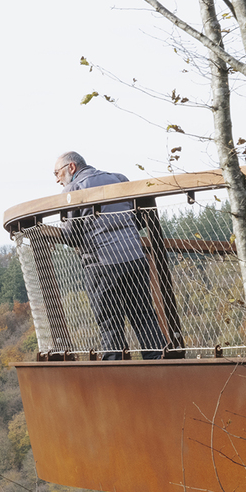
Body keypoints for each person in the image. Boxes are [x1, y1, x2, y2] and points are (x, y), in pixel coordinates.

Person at [54, 151, 165, 358]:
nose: (57, 179)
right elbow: (140, 218)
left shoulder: (73, 189)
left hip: (101, 265)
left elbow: (71, 235)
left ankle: (116, 370)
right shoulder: (118, 179)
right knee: (144, 316)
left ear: (71, 167)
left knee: (109, 321)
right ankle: (159, 362)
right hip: (134, 257)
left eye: (57, 173)